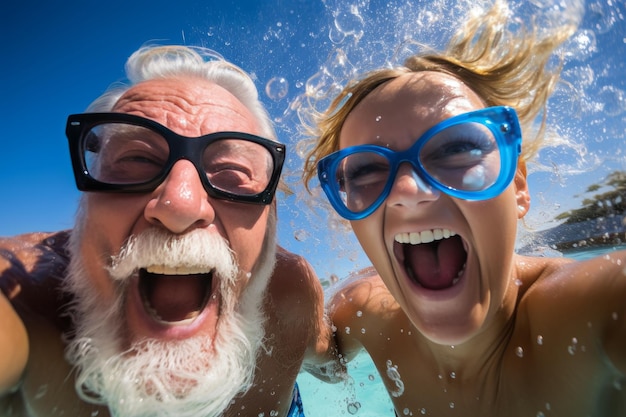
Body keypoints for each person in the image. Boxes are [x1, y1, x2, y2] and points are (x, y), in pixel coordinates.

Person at [302, 1, 626, 416]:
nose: (407, 190)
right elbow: (324, 359)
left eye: (457, 148)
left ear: (519, 186)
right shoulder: (363, 312)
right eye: (366, 171)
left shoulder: (587, 316)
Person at [0, 45, 338, 417]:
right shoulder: (24, 300)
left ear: (270, 219)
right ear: (85, 203)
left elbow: (334, 364)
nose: (180, 206)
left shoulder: (291, 293)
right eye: (136, 161)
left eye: (230, 174)